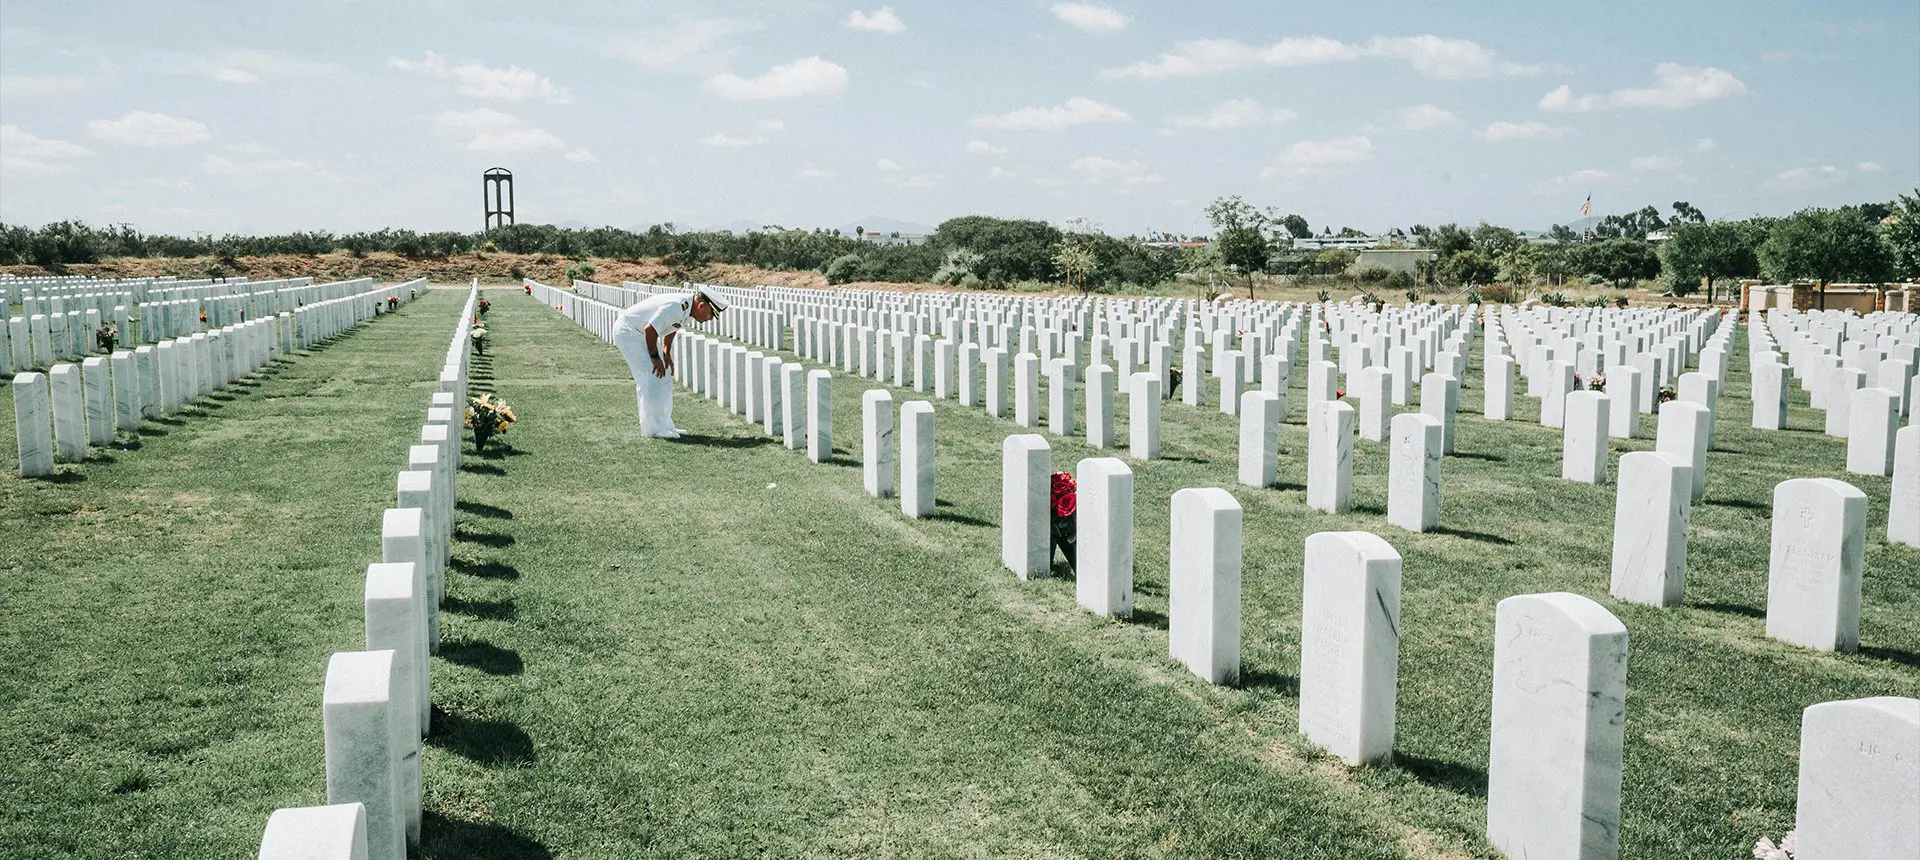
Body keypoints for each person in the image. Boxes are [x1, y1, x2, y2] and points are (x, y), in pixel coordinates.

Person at [613, 288, 726, 438]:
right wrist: (655, 358)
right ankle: (654, 429)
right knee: (651, 376)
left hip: (641, 333)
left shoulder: (687, 308)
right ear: (701, 306)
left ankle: (665, 424)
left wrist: (666, 351)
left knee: (664, 375)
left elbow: (672, 327)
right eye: (712, 315)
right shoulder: (676, 305)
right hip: (630, 332)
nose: (710, 319)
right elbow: (650, 329)